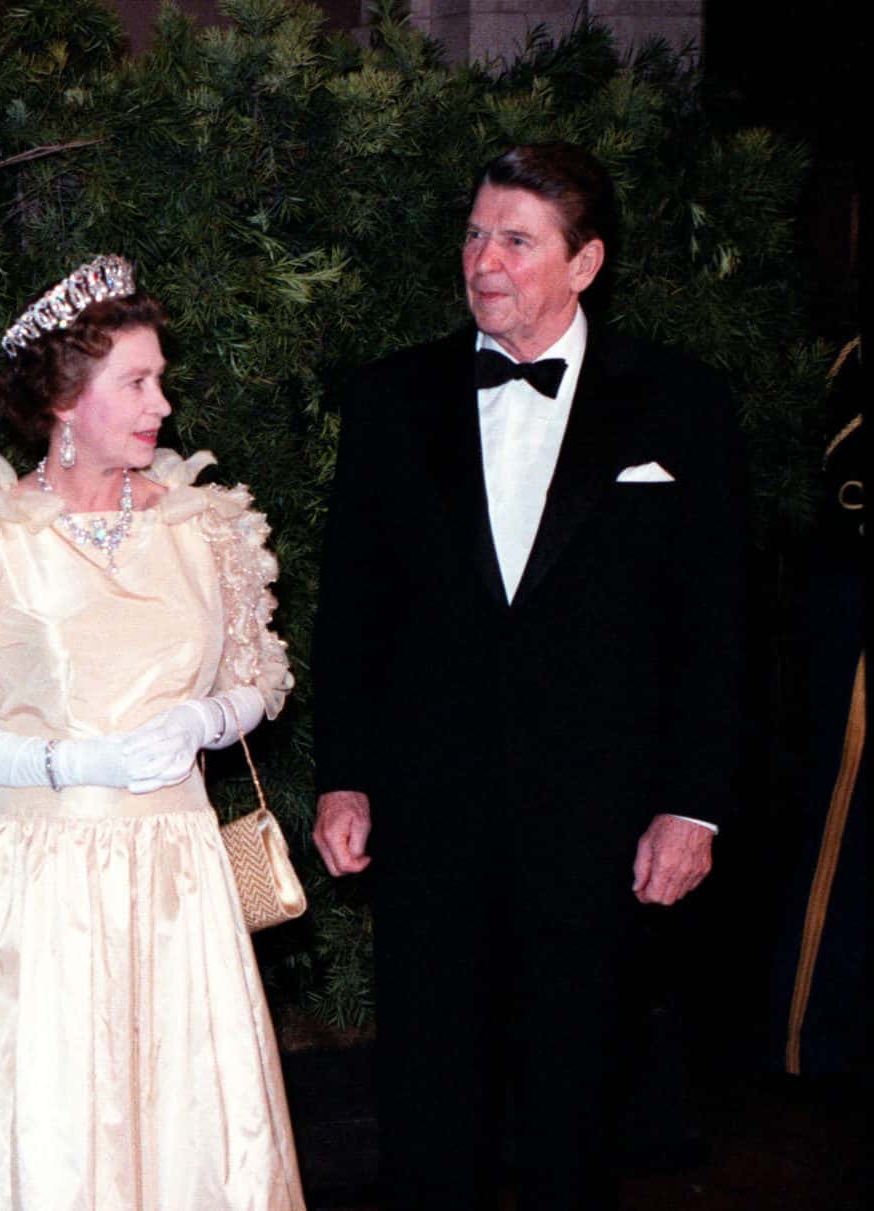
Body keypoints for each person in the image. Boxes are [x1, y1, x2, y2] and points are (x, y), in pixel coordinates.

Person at [311, 143, 747, 1210]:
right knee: (426, 1097)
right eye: (473, 233)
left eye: (515, 238)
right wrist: (344, 774)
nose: (483, 259)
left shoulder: (681, 403)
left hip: (600, 817)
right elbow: (351, 610)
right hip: (428, 807)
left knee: (575, 1098)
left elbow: (719, 624)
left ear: (584, 262)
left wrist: (692, 804)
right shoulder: (391, 397)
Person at [0, 256, 304, 1210]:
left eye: (161, 378)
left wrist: (207, 715)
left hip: (179, 876)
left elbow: (258, 679)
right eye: (137, 382)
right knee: (42, 1134)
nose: (161, 402)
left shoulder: (207, 524)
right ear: (67, 400)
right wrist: (63, 759)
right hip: (34, 878)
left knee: (189, 1130)